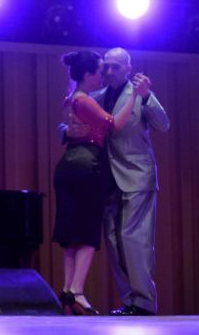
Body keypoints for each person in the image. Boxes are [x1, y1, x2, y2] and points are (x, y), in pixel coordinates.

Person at [63, 47, 169, 316]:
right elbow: (70, 120)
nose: (109, 71)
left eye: (115, 67)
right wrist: (67, 130)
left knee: (133, 239)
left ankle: (144, 301)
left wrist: (146, 98)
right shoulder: (96, 96)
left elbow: (163, 124)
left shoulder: (139, 94)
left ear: (128, 69)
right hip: (105, 178)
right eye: (106, 66)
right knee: (112, 241)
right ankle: (131, 300)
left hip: (136, 176)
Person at [52, 50, 142, 316]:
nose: (103, 76)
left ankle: (69, 290)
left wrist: (67, 132)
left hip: (68, 166)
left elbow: (70, 129)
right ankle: (78, 291)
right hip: (86, 167)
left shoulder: (70, 98)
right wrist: (136, 96)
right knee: (89, 233)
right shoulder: (85, 100)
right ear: (88, 75)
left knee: (71, 235)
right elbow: (114, 124)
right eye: (99, 71)